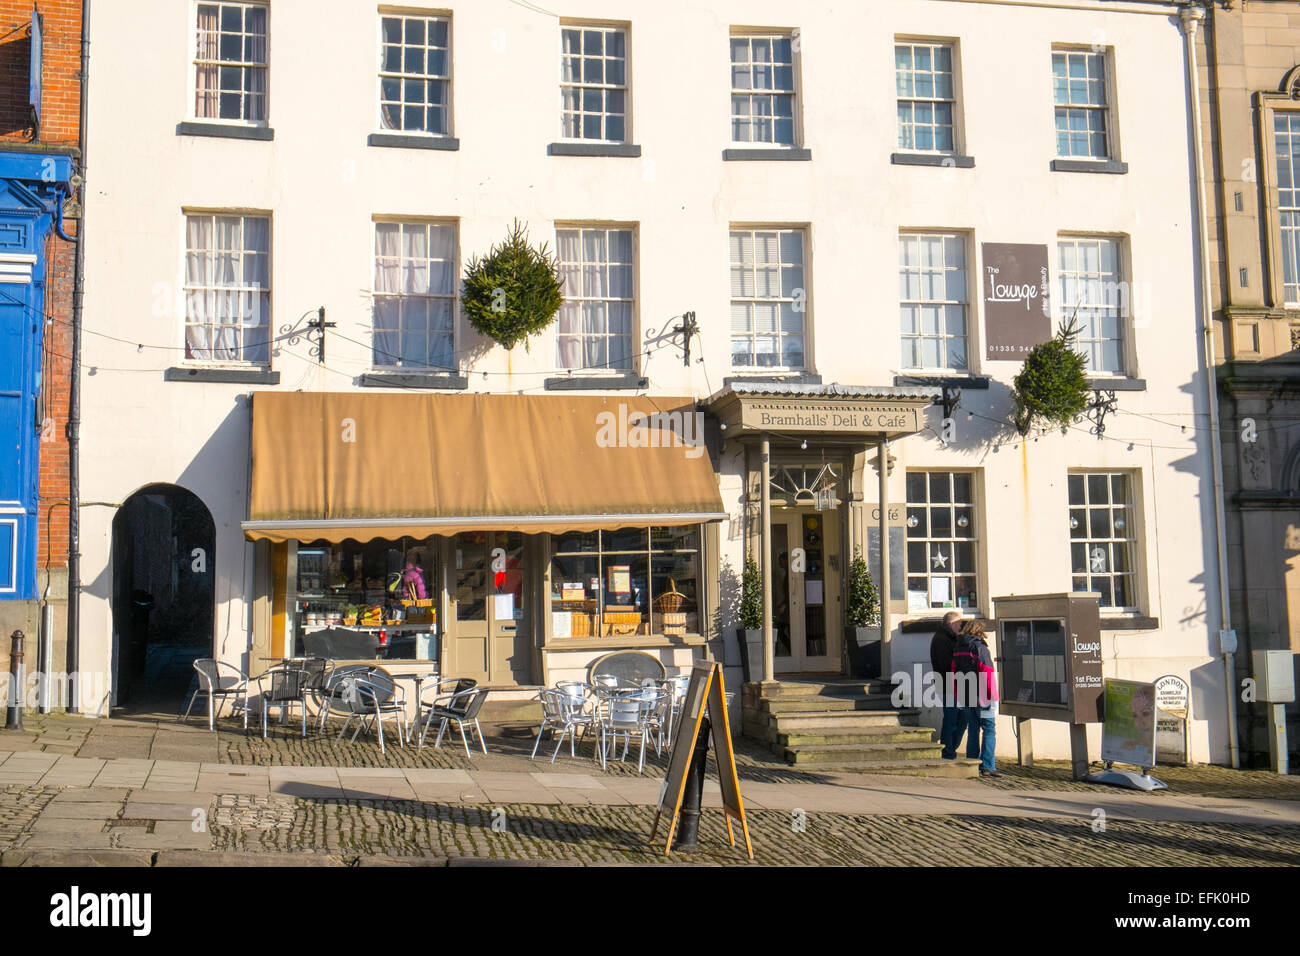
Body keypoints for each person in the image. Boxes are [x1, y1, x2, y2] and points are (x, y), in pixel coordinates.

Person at [958, 619, 1000, 777]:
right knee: (989, 729)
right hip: (983, 696)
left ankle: (971, 761)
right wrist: (993, 697)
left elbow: (954, 672)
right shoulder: (980, 647)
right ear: (979, 631)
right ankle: (988, 765)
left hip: (966, 694)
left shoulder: (958, 647)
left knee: (973, 729)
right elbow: (987, 673)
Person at [929, 610, 963, 759]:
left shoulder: (948, 637)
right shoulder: (942, 639)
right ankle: (948, 750)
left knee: (959, 718)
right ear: (951, 624)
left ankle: (950, 748)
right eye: (959, 624)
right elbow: (945, 664)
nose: (960, 627)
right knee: (951, 718)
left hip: (952, 683)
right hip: (948, 684)